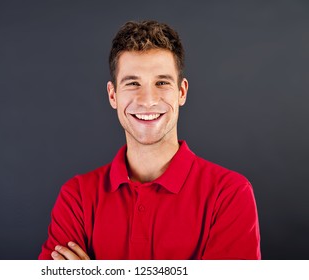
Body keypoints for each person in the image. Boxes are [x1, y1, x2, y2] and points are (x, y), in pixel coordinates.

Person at [38, 20, 261, 260]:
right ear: (113, 95)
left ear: (181, 92)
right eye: (133, 83)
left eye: (162, 82)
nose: (147, 100)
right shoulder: (77, 198)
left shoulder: (229, 194)